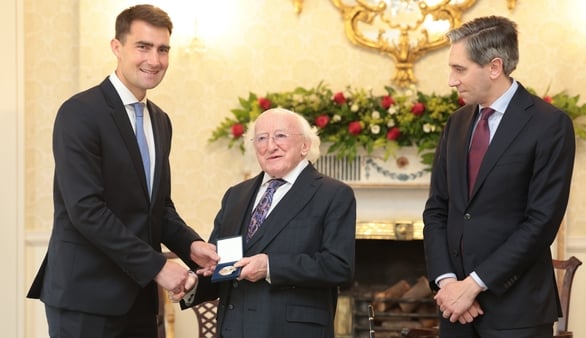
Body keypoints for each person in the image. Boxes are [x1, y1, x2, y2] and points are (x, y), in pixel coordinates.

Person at [26, 5, 219, 338]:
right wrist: (159, 266)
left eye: (163, 49)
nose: (154, 60)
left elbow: (157, 207)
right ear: (117, 47)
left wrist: (190, 246)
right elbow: (86, 210)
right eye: (143, 47)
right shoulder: (80, 113)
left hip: (140, 298)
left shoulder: (160, 121)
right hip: (85, 295)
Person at [423, 16, 576, 338]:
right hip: (456, 310)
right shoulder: (456, 123)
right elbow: (437, 209)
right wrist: (449, 283)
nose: (451, 80)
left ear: (494, 67)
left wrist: (474, 285)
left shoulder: (550, 125)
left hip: (517, 311)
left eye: (459, 69)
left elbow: (541, 222)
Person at [186, 108, 356, 338]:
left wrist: (270, 267)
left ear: (305, 145)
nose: (270, 146)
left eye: (281, 136)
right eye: (262, 138)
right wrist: (191, 283)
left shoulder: (333, 194)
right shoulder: (235, 195)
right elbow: (221, 265)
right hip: (233, 329)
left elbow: (339, 267)